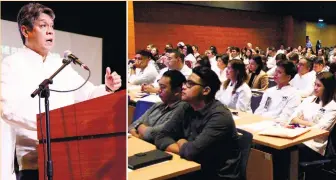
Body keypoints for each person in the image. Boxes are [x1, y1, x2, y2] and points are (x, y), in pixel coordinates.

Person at [1, 3, 122, 180]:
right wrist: (51, 128)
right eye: (43, 26)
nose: (50, 31)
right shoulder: (11, 64)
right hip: (32, 161)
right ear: (26, 31)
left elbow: (86, 94)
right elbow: (8, 110)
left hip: (68, 156)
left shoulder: (58, 64)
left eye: (52, 26)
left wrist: (107, 88)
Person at [155, 66, 242, 180]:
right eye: (185, 82)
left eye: (190, 84)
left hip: (215, 175)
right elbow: (161, 137)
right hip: (191, 168)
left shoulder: (220, 117)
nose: (183, 87)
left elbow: (192, 152)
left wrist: (180, 141)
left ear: (206, 90)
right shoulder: (186, 106)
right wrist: (183, 145)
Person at [129, 70, 188, 143]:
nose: (159, 90)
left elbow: (152, 134)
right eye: (159, 86)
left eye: (163, 87)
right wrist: (138, 134)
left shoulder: (183, 109)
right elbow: (132, 125)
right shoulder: (158, 105)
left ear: (177, 91)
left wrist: (139, 127)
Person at [288, 72, 336, 158]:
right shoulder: (308, 100)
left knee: (287, 149)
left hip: (313, 145)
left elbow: (319, 129)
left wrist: (301, 122)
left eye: (318, 85)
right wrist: (310, 124)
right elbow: (293, 118)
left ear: (327, 88)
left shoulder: (332, 107)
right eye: (315, 84)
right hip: (298, 137)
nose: (315, 88)